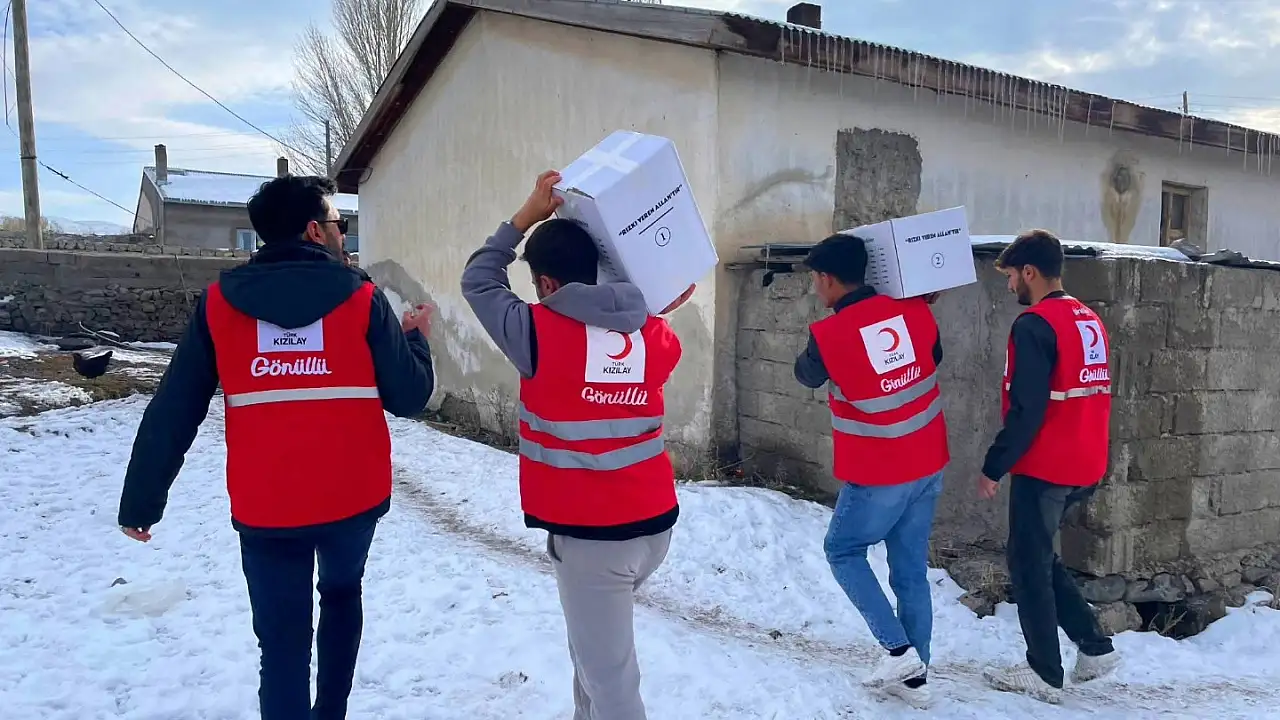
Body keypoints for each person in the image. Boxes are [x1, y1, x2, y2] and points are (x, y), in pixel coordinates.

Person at [116, 174, 436, 720]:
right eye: (338, 223)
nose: (342, 233)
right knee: (342, 597)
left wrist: (141, 501)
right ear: (314, 230)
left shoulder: (219, 304)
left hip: (267, 506)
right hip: (352, 499)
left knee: (282, 643)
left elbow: (175, 407)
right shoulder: (363, 300)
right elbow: (409, 397)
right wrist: (416, 340)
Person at [460, 170, 692, 720]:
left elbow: (479, 279)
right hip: (654, 526)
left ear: (545, 284)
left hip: (594, 540)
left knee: (612, 684)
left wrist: (525, 216)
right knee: (592, 660)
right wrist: (653, 298)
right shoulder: (654, 334)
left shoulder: (534, 332)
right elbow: (632, 322)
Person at [793, 234, 948, 710]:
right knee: (910, 572)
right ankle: (916, 679)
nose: (815, 288)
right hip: (928, 462)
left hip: (880, 469)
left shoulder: (829, 335)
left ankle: (898, 651)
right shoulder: (914, 310)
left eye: (815, 279)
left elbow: (806, 374)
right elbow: (934, 357)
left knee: (842, 551)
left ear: (827, 279)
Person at [978, 229, 1120, 704]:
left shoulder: (1034, 325)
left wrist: (994, 465)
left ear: (1030, 272)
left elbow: (1027, 409)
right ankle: (1094, 647)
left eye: (1011, 276)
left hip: (1047, 465)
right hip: (1086, 461)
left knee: (1027, 563)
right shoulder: (1088, 318)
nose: (1009, 285)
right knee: (1038, 554)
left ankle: (1044, 671)